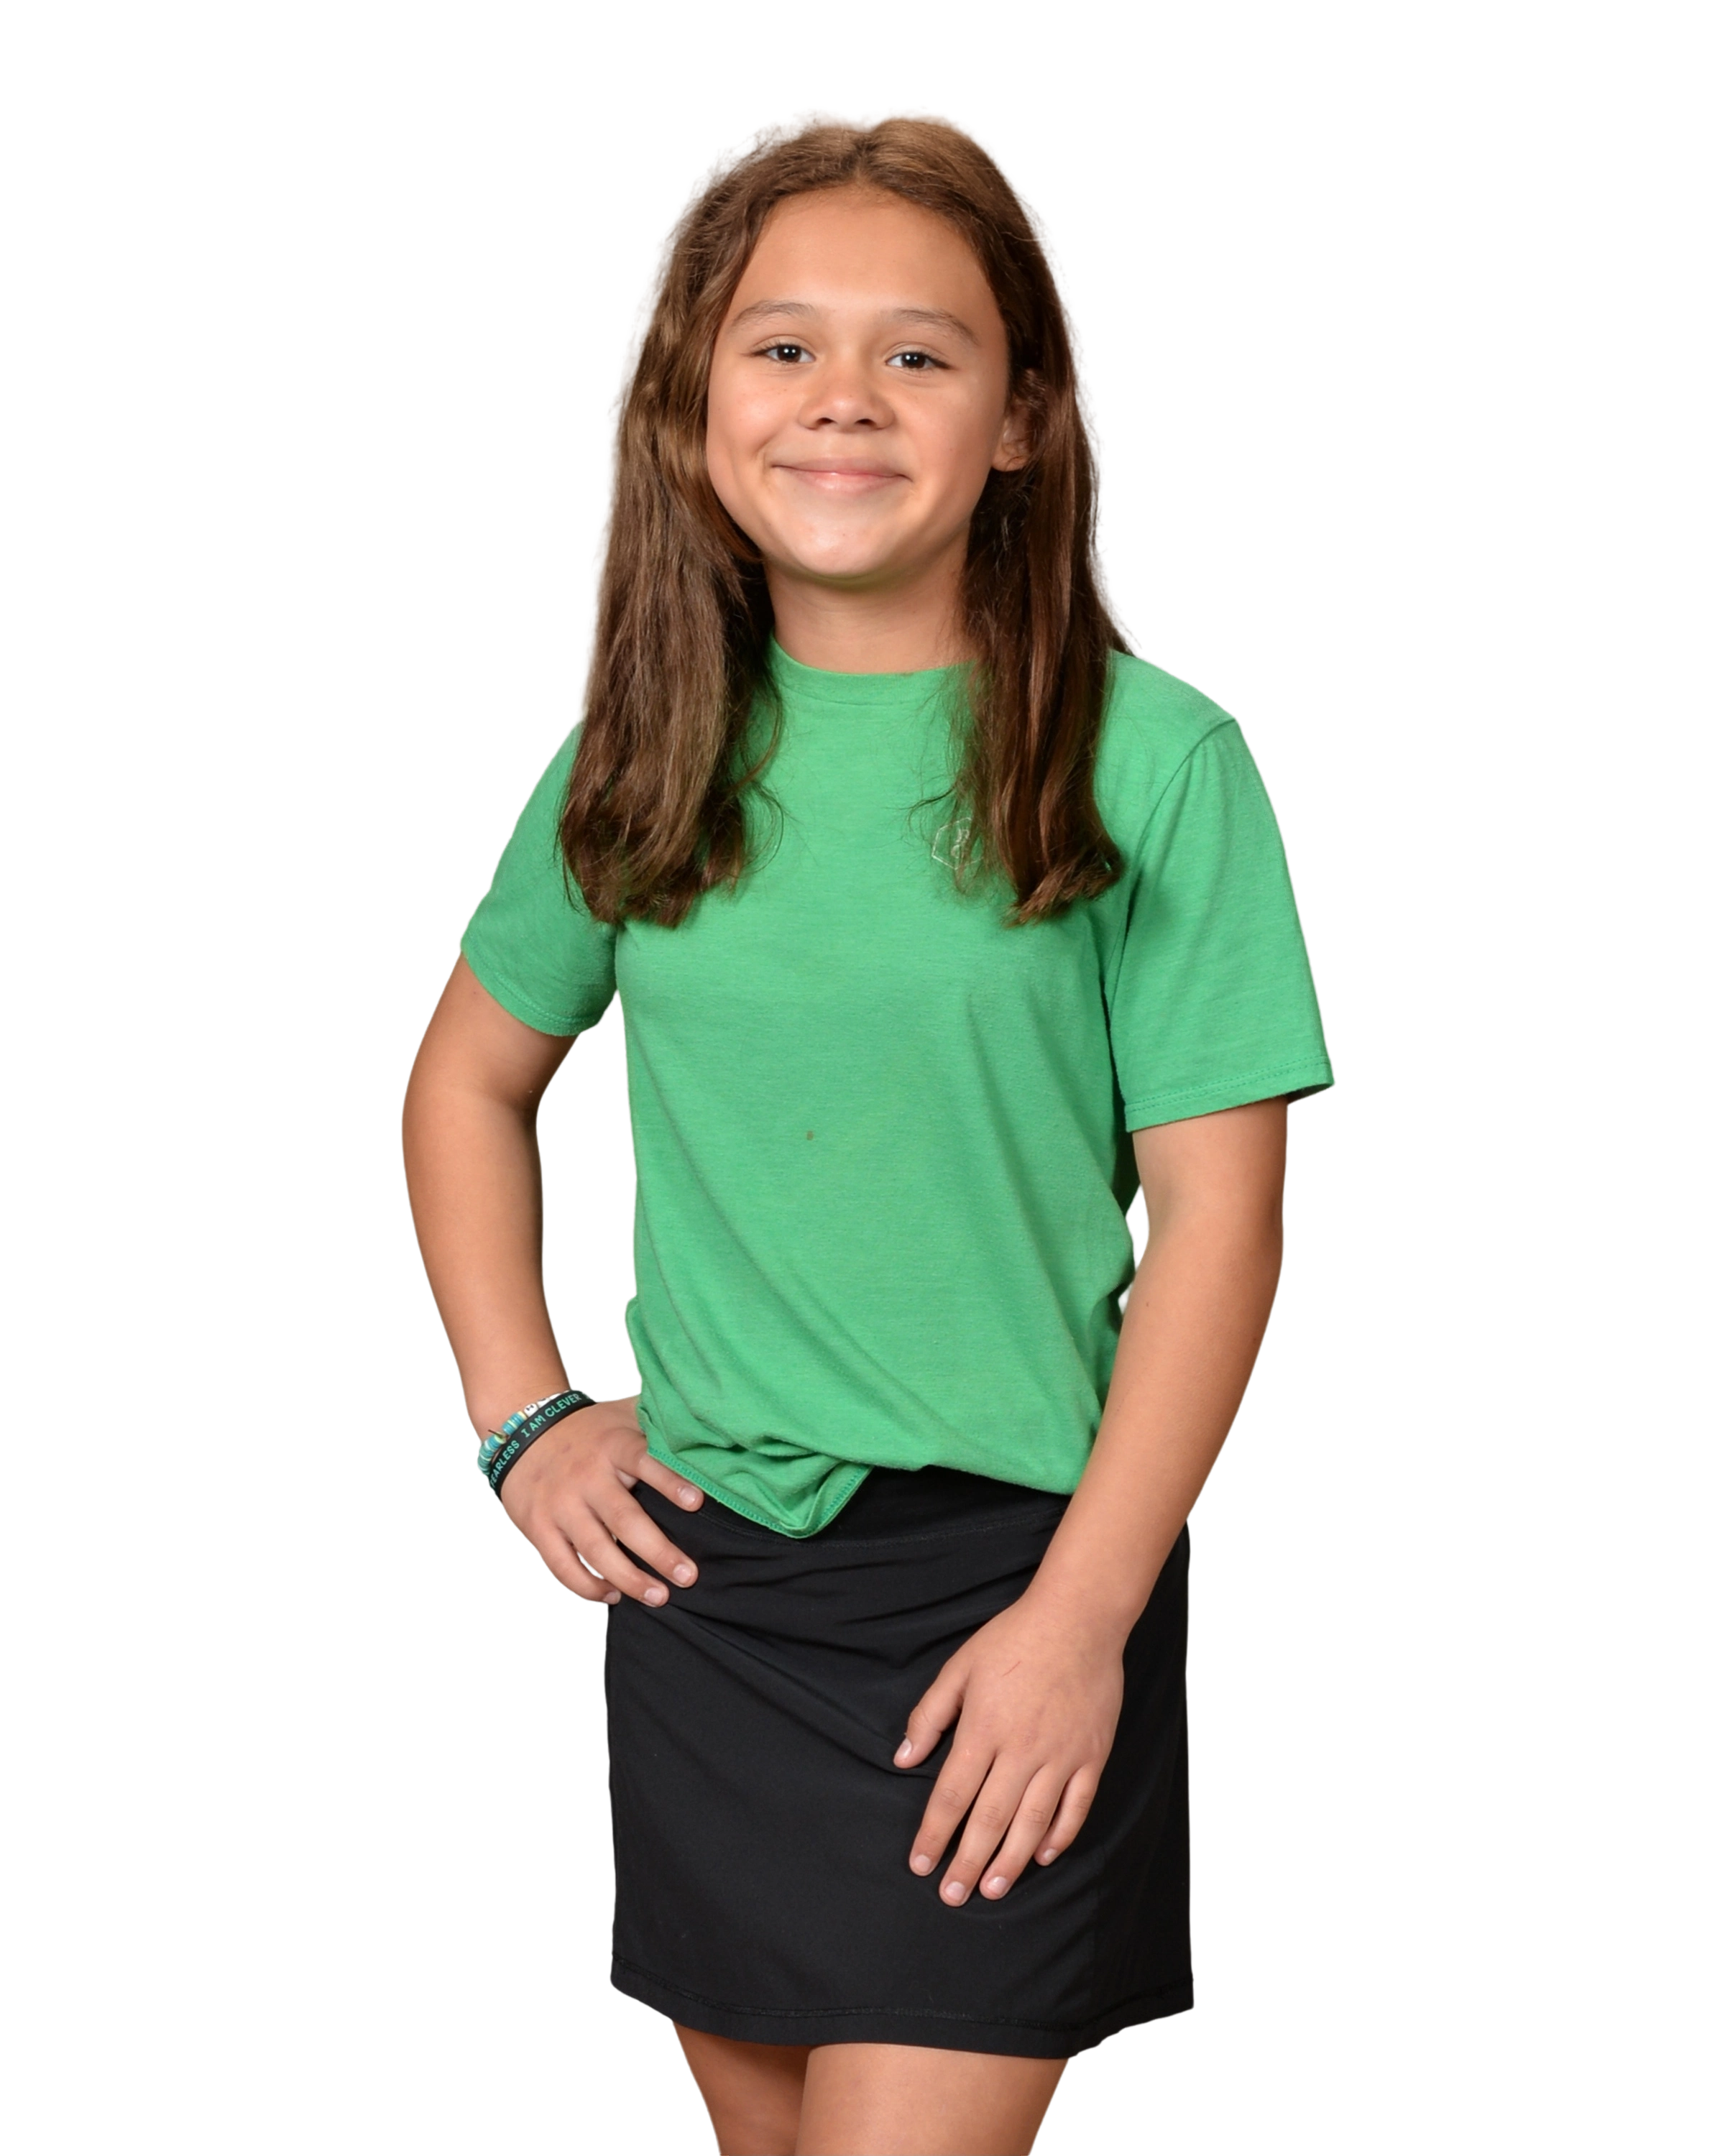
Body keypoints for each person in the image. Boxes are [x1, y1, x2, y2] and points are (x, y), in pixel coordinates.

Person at [400, 102, 1338, 2156]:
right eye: (783, 345)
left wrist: (1083, 1622)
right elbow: (464, 1082)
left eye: (920, 351)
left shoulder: (1155, 761)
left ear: (1024, 420)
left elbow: (1223, 1227)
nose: (846, 397)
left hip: (1021, 1588)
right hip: (709, 1597)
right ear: (693, 408)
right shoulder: (640, 745)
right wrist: (521, 1416)